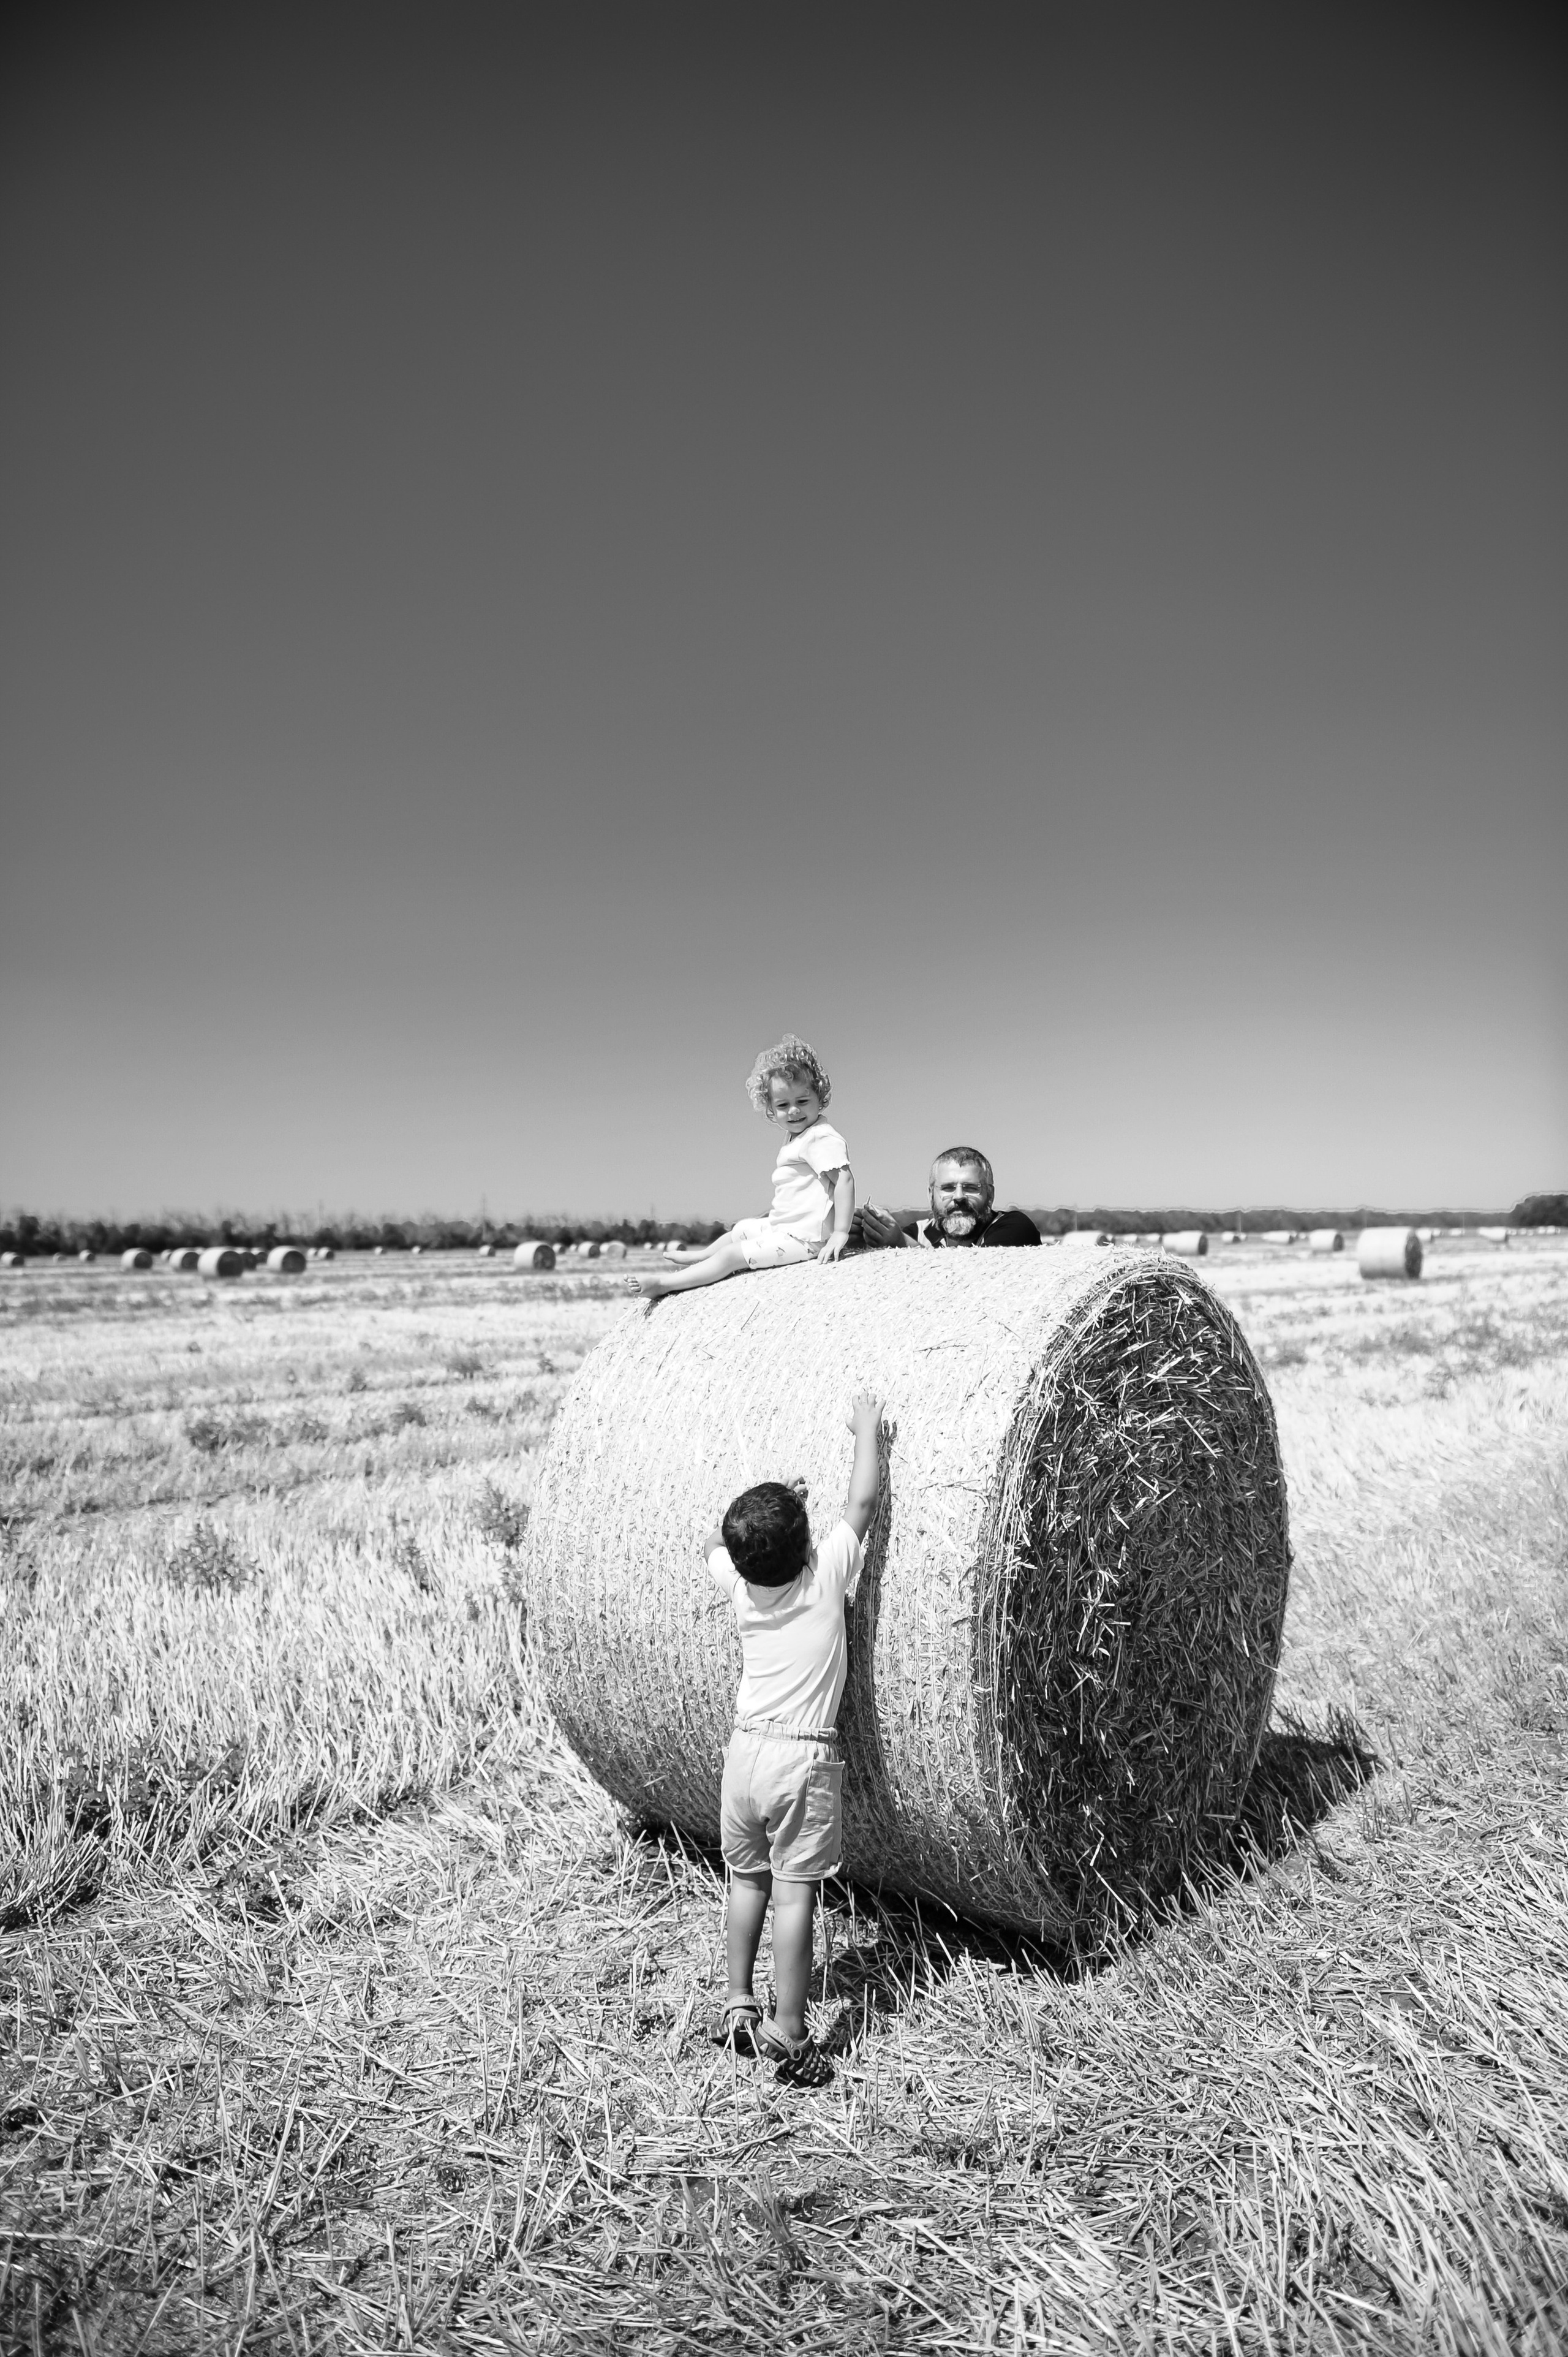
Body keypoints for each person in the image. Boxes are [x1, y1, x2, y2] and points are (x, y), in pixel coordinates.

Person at [706, 1388, 883, 2078]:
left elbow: (720, 1547)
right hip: (799, 1760)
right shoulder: (825, 1576)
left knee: (745, 1881)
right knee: (794, 1896)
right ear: (809, 1545)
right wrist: (866, 1428)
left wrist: (781, 1508)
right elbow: (862, 1505)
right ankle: (790, 2031)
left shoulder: (740, 1585)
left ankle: (738, 2001)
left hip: (743, 1753)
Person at [629, 1035, 854, 1300]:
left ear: (820, 1096)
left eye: (803, 1102)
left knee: (731, 1255)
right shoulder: (800, 1137)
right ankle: (702, 1256)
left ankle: (665, 1284)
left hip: (807, 1240)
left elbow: (844, 1180)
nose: (794, 1111)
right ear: (770, 1109)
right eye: (783, 1105)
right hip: (785, 1228)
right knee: (741, 1229)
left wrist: (840, 1233)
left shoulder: (820, 1138)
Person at [856, 1146, 1041, 1251]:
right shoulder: (920, 1233)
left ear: (990, 1195)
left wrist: (901, 1244)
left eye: (970, 1188)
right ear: (931, 1194)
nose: (959, 1196)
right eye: (948, 1188)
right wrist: (862, 1241)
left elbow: (975, 1276)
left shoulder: (1015, 1228)